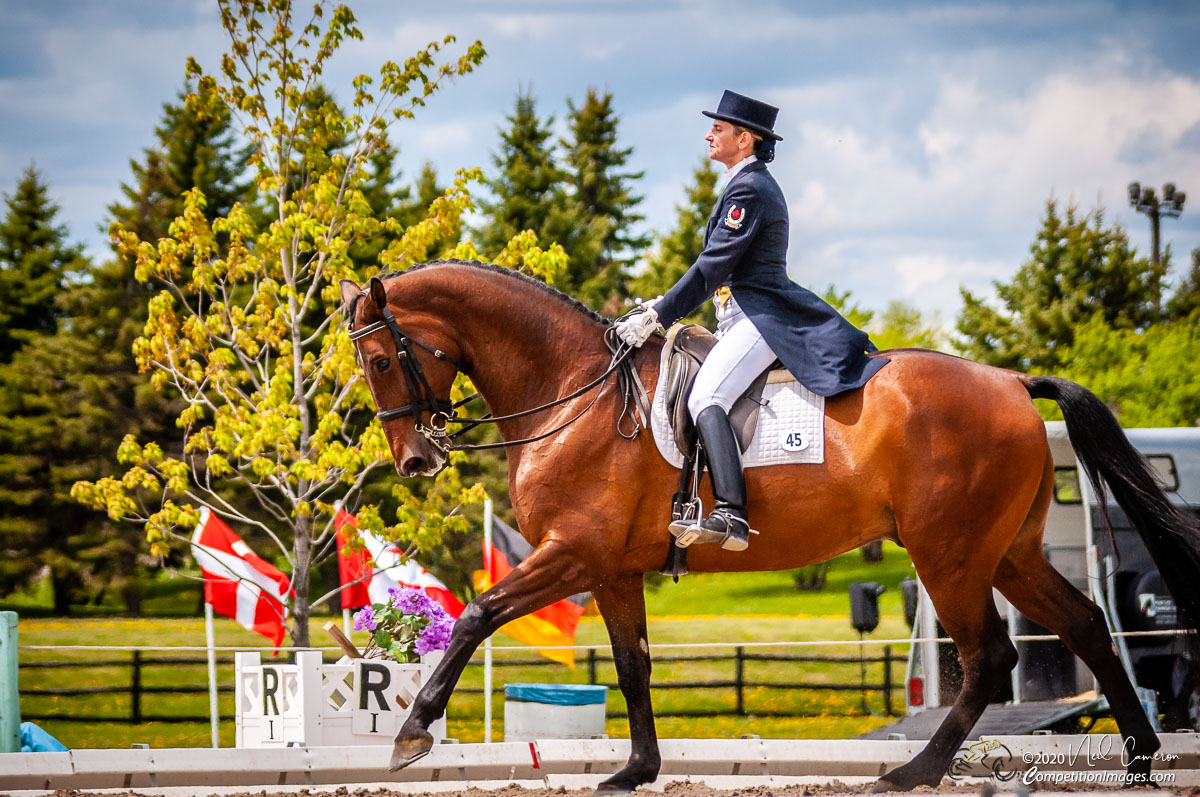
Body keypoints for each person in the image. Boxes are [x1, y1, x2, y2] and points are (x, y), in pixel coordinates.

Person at [616, 90, 888, 552]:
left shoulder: (750, 189)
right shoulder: (744, 184)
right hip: (738, 317)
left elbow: (713, 266)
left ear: (745, 139)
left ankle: (731, 514)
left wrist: (659, 313)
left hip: (762, 317)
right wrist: (661, 303)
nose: (709, 135)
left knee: (706, 396)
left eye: (718, 129)